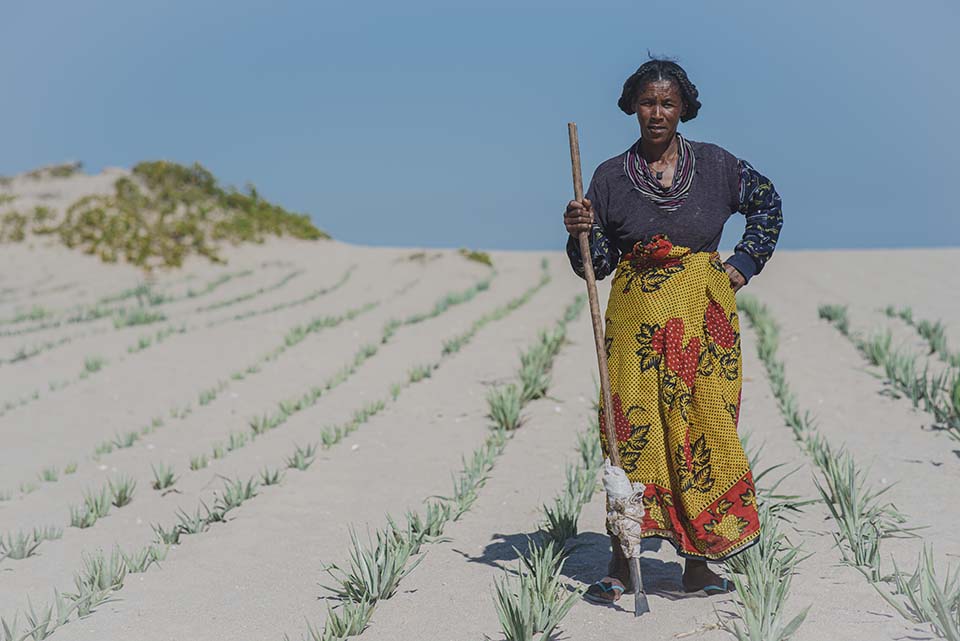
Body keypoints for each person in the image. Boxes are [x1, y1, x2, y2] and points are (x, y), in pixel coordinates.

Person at [564, 58, 783, 604]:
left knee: (701, 430)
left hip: (701, 321)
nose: (656, 113)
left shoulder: (715, 164)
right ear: (631, 107)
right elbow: (600, 262)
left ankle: (698, 563)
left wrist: (742, 265)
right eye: (647, 102)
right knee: (631, 433)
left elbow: (768, 205)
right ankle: (623, 558)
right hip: (634, 320)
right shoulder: (611, 177)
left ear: (684, 107)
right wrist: (581, 234)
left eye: (667, 103)